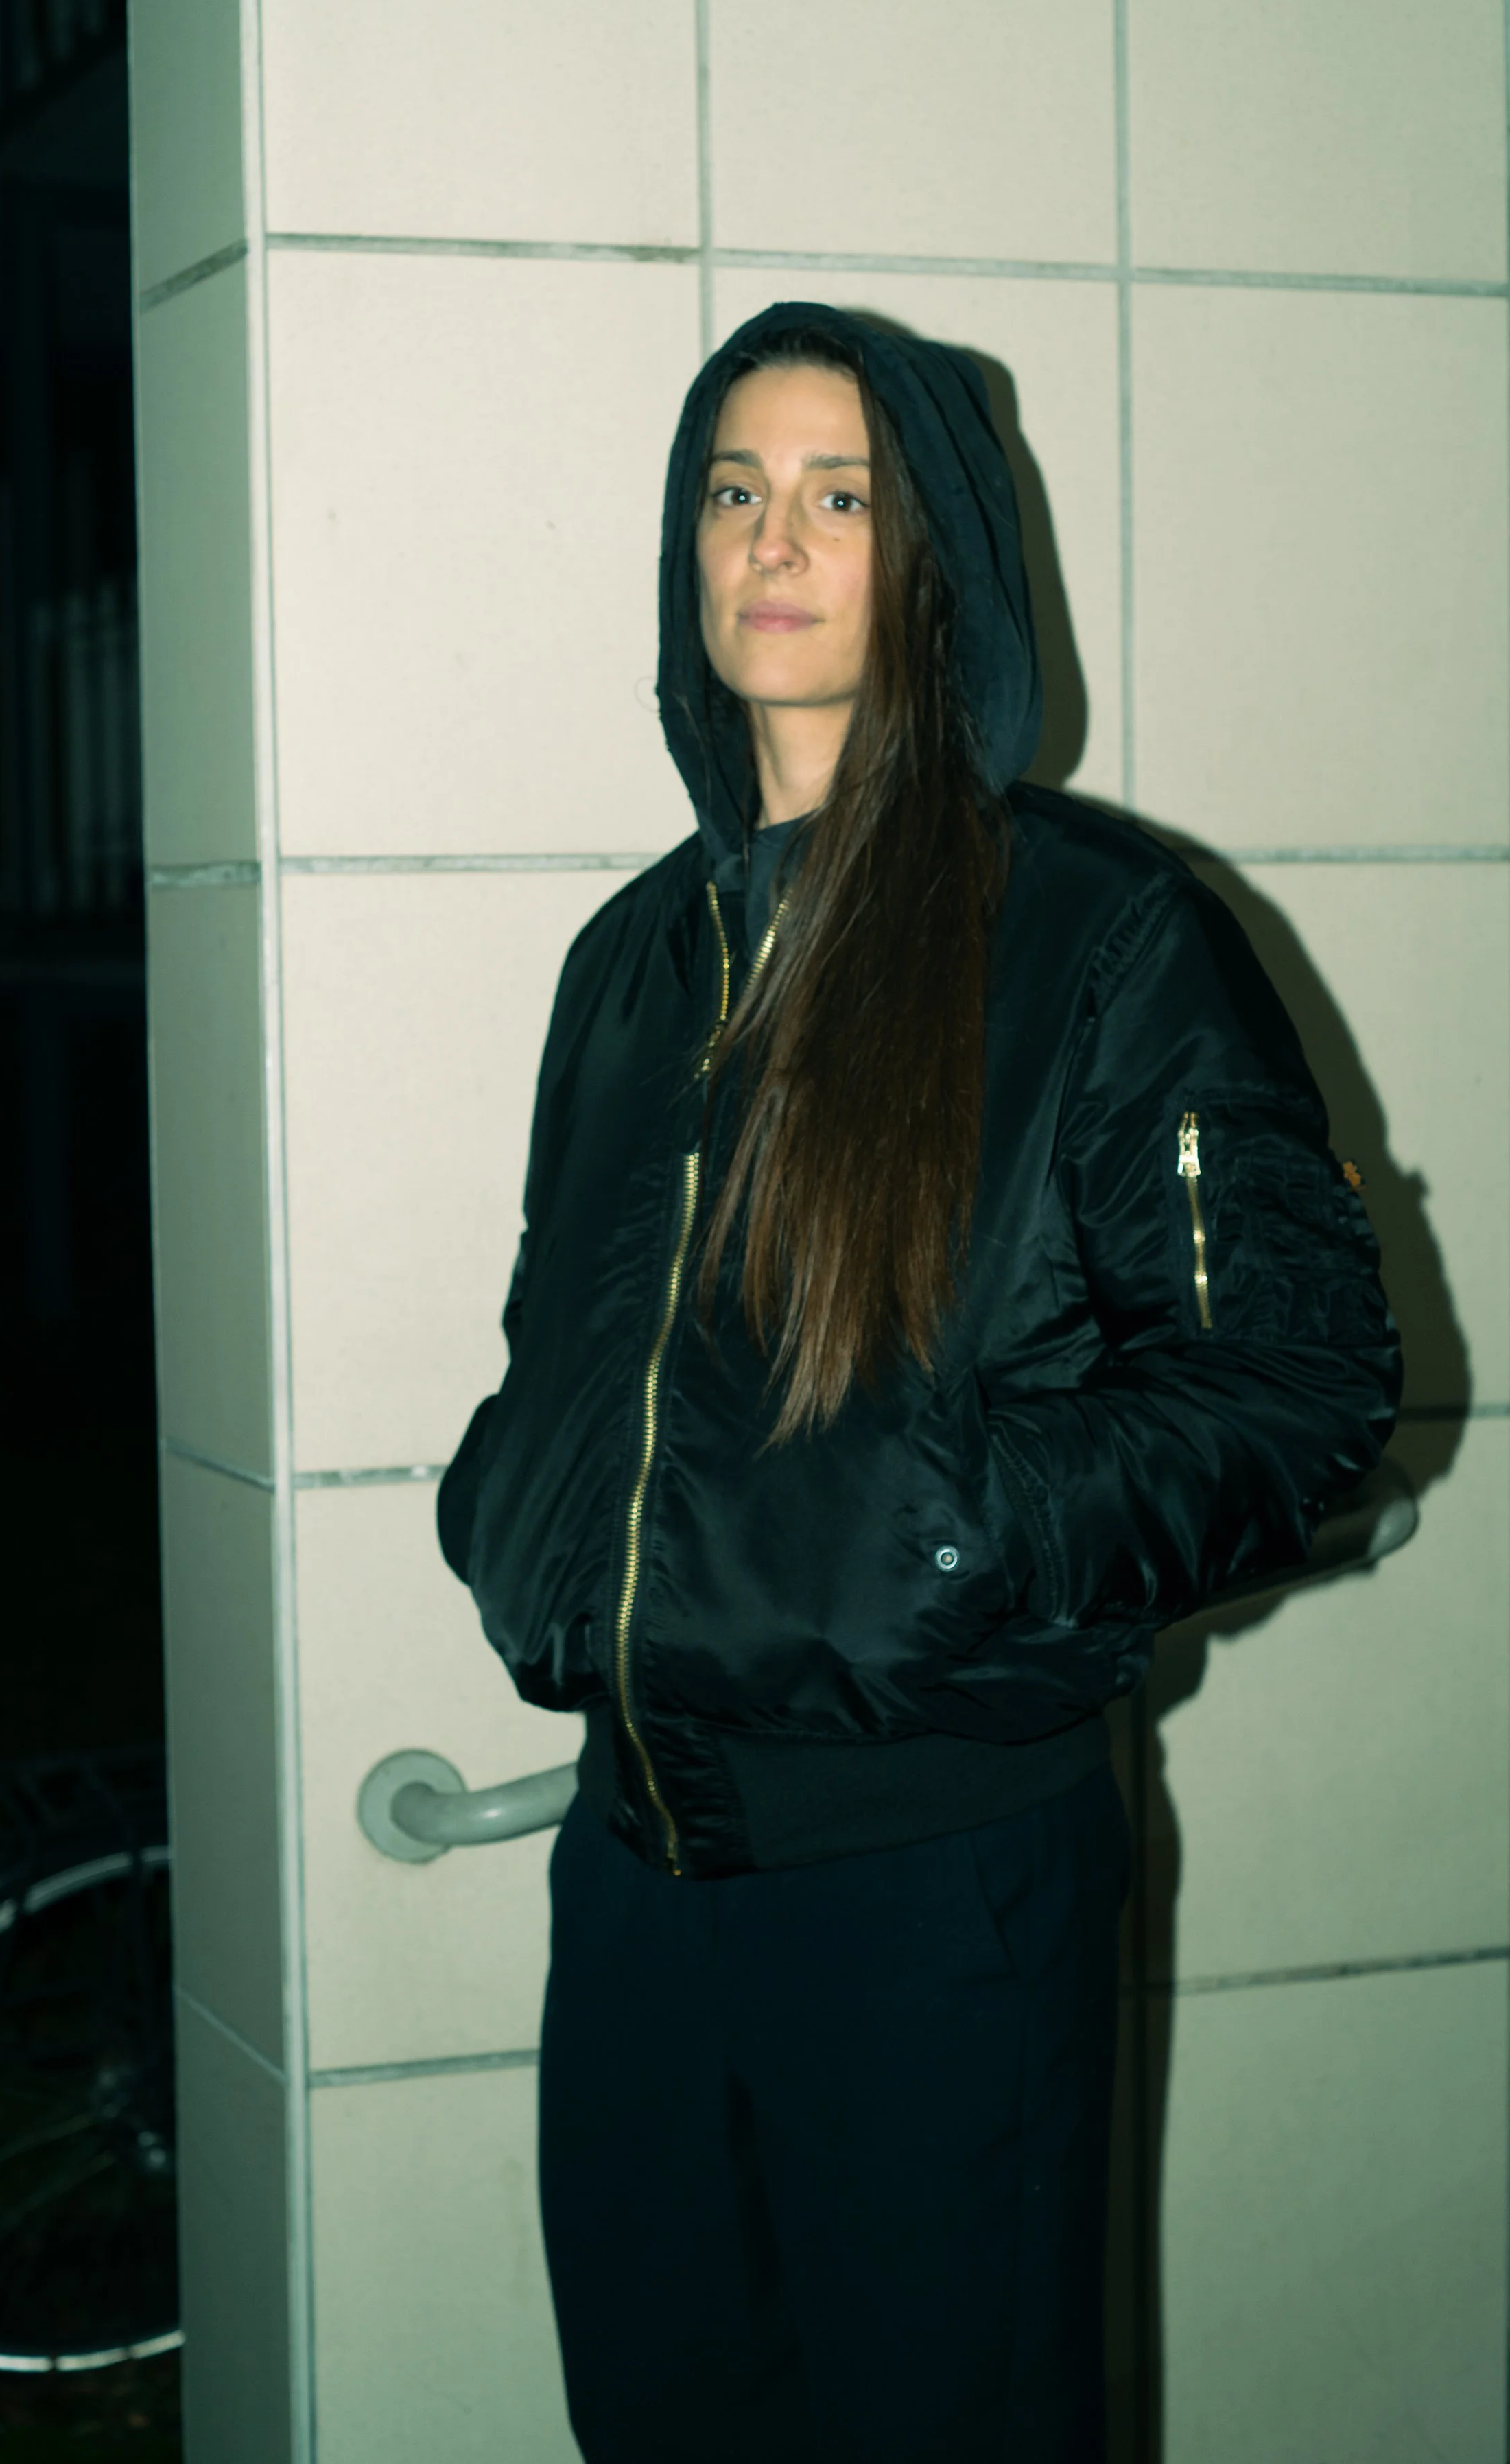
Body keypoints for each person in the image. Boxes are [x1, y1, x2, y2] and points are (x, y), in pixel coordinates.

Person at [438, 303, 1400, 2463]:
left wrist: (951, 1525)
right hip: (634, 1880)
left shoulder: (1097, 933)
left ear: (932, 556)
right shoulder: (631, 958)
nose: (771, 541)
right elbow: (563, 1348)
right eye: (730, 489)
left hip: (935, 1889)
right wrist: (511, 1498)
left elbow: (1302, 1383)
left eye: (838, 496)